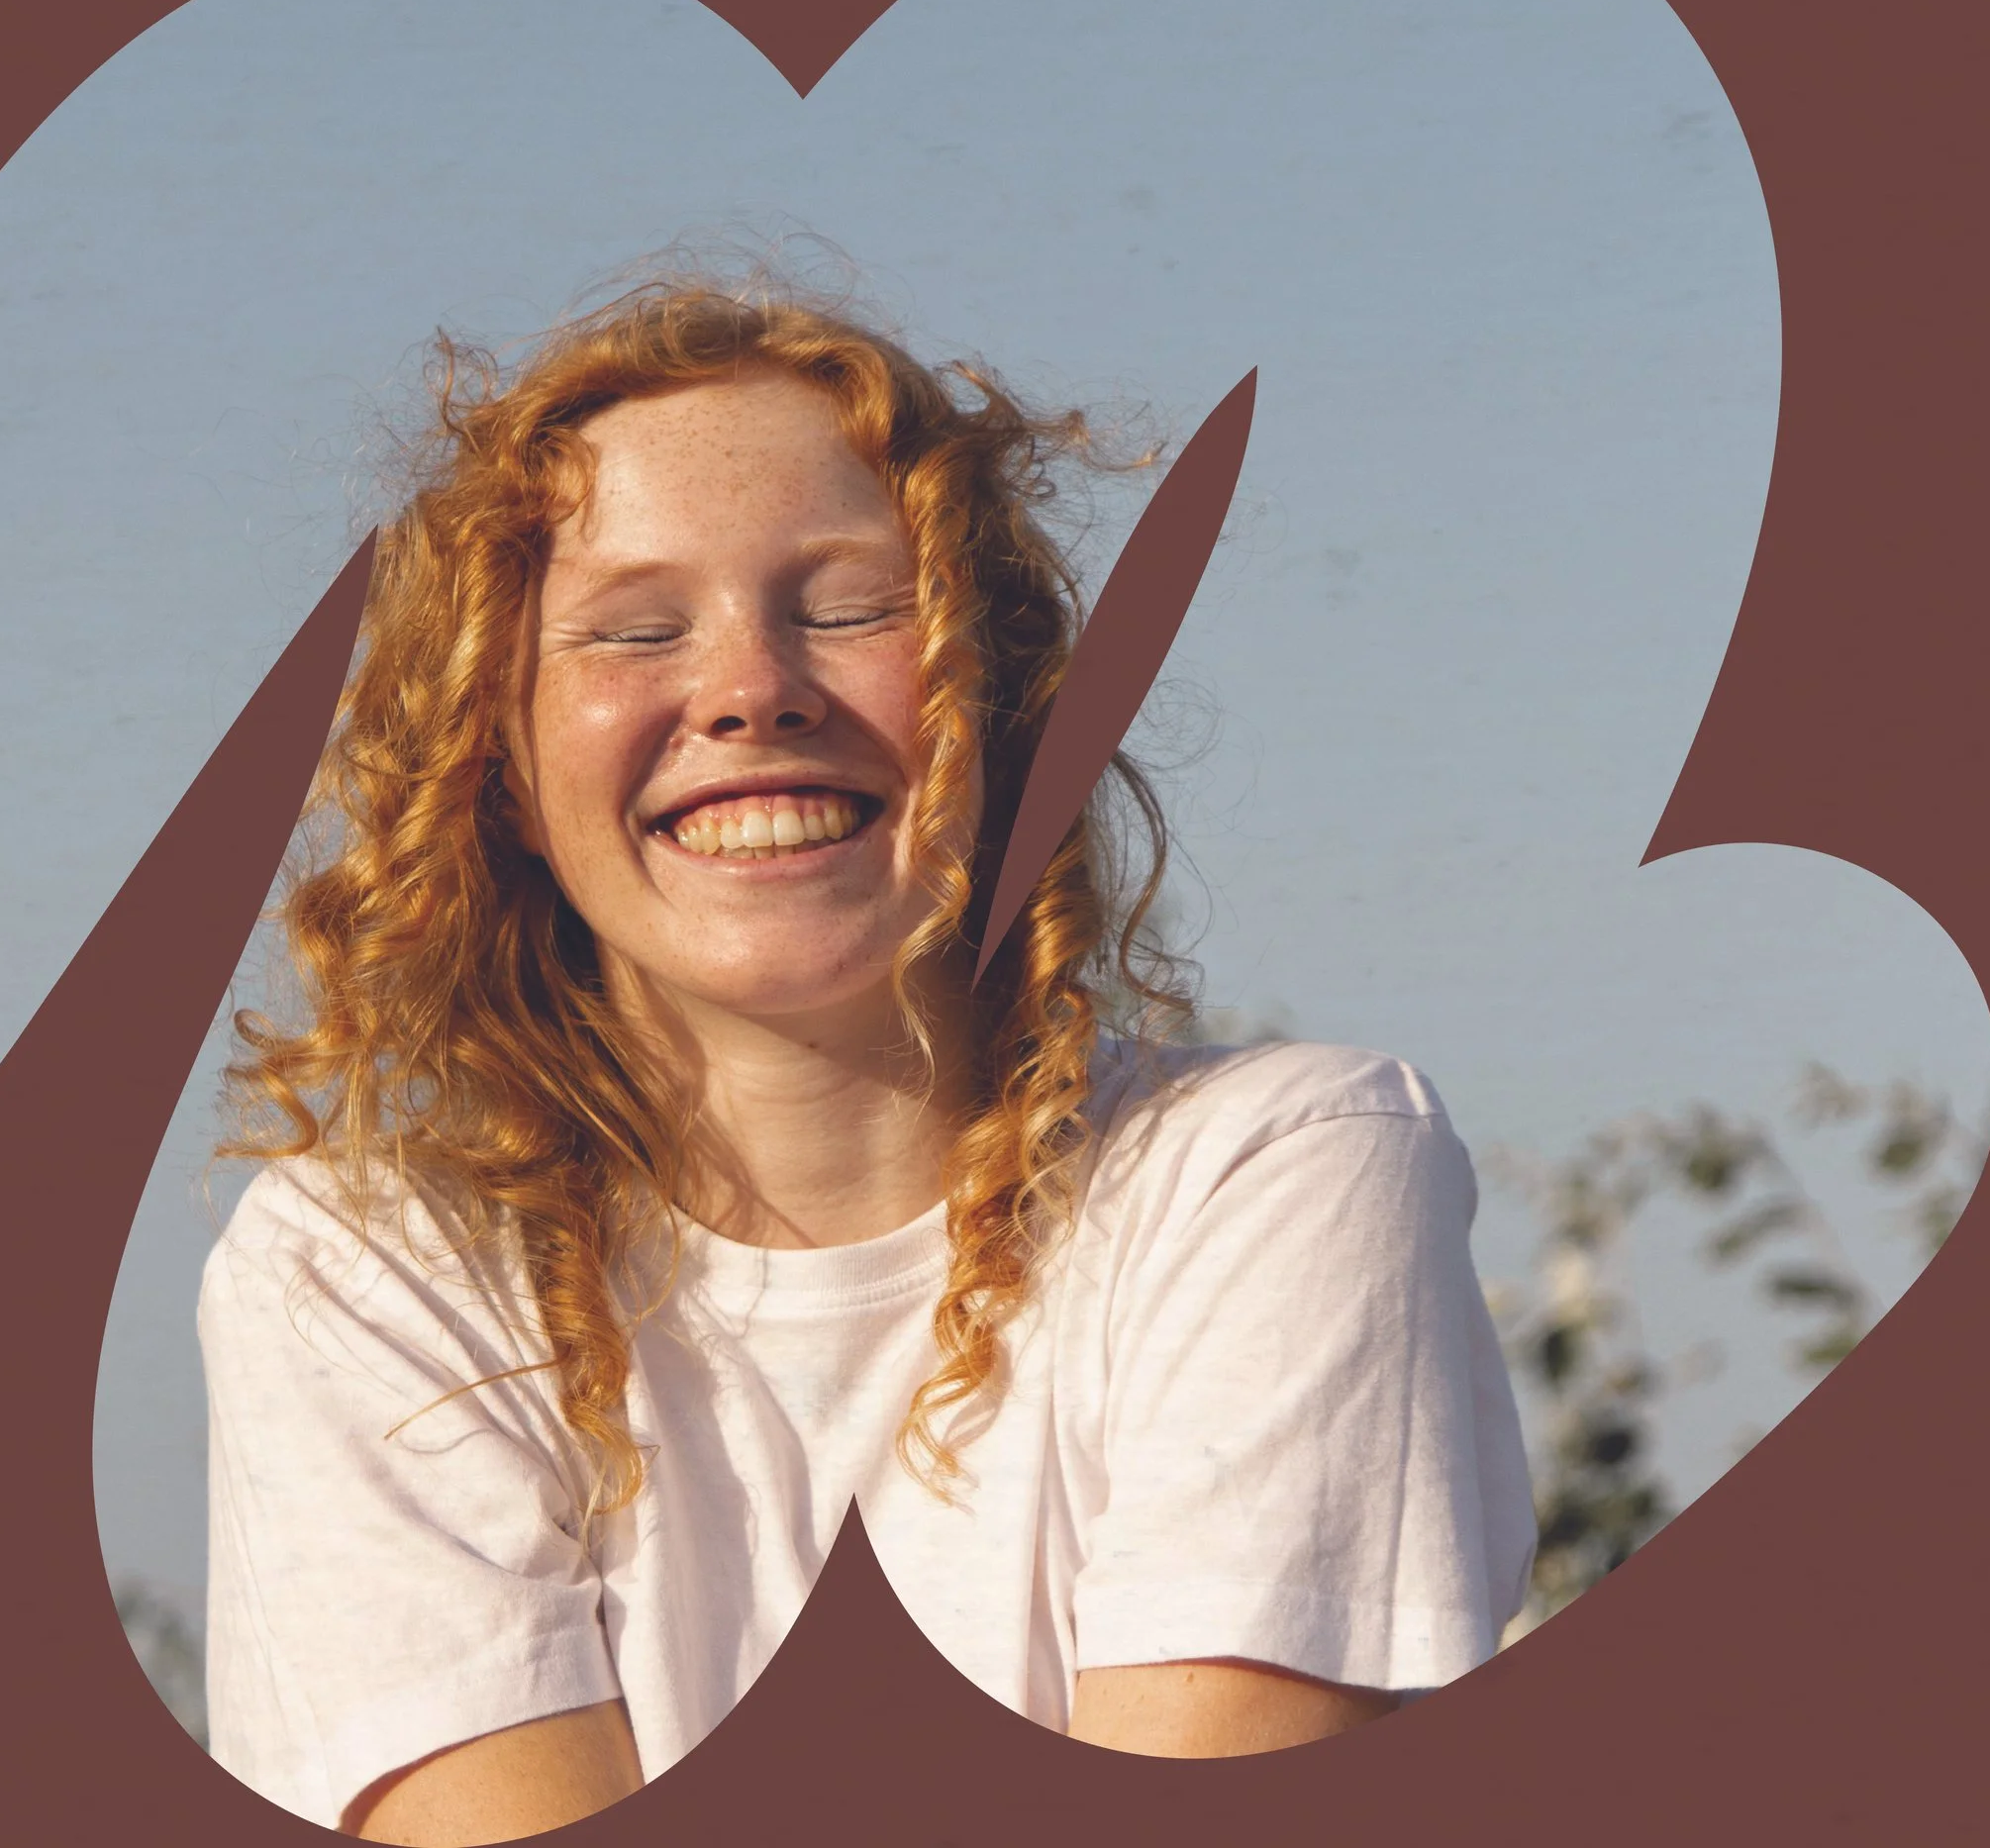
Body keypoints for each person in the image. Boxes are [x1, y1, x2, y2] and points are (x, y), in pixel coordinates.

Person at [197, 268, 1537, 1843]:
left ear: (1012, 701)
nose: (751, 692)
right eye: (632, 630)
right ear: (497, 772)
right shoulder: (368, 1273)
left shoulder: (1281, 1169)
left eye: (849, 607)